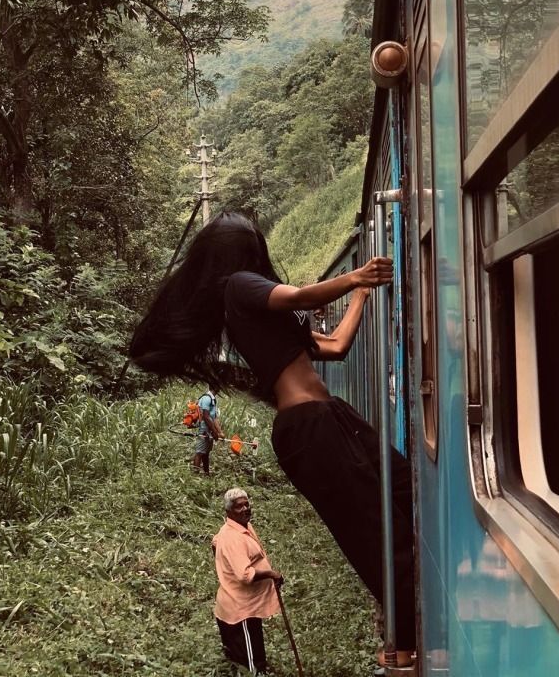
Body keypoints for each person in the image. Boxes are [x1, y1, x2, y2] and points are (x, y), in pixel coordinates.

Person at [130, 212, 416, 666]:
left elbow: (337, 347)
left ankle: (406, 632)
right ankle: (403, 648)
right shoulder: (239, 285)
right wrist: (355, 275)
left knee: (406, 489)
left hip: (327, 416)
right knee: (377, 533)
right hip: (310, 427)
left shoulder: (260, 314)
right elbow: (301, 294)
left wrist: (360, 293)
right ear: (246, 251)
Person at [212, 488, 282, 675]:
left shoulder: (241, 526)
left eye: (246, 504)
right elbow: (245, 575)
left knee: (252, 649)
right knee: (249, 664)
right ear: (228, 512)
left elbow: (215, 541)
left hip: (249, 605)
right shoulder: (233, 537)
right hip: (239, 609)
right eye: (238, 507)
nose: (245, 509)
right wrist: (270, 574)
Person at [193, 388, 224, 475]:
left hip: (209, 429)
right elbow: (206, 417)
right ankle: (195, 475)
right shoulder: (207, 398)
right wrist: (214, 432)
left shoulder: (213, 399)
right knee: (199, 452)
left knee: (206, 452)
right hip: (204, 429)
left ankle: (207, 473)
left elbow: (214, 418)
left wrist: (220, 432)